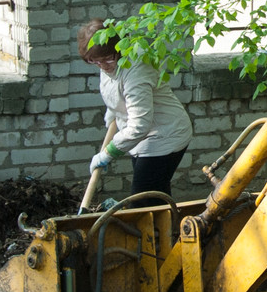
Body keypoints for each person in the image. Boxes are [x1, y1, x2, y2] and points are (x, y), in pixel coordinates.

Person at [78, 18, 195, 196]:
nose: (102, 66)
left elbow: (139, 124)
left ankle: (159, 223)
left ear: (119, 50)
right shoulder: (109, 62)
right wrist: (114, 111)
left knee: (143, 199)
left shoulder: (136, 70)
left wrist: (107, 153)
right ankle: (166, 222)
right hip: (144, 136)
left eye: (107, 59)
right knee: (156, 194)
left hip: (165, 134)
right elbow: (118, 89)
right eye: (94, 61)